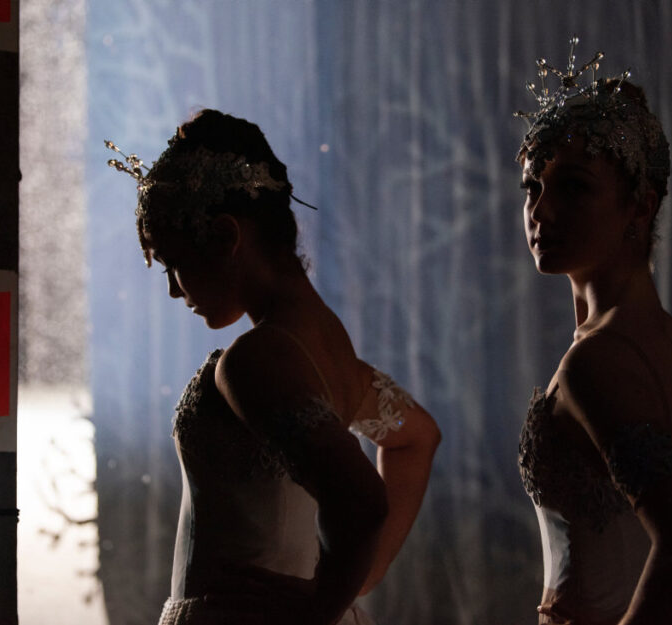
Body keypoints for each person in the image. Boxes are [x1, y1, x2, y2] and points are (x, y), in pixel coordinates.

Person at [107, 109, 441, 625]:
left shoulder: (256, 359)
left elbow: (361, 500)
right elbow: (415, 436)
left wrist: (320, 604)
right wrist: (353, 580)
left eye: (174, 263)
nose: (174, 289)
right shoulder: (329, 348)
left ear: (224, 237)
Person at [514, 41, 672, 625]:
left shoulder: (602, 360)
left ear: (640, 206)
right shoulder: (669, 343)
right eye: (533, 186)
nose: (542, 209)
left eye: (574, 186)